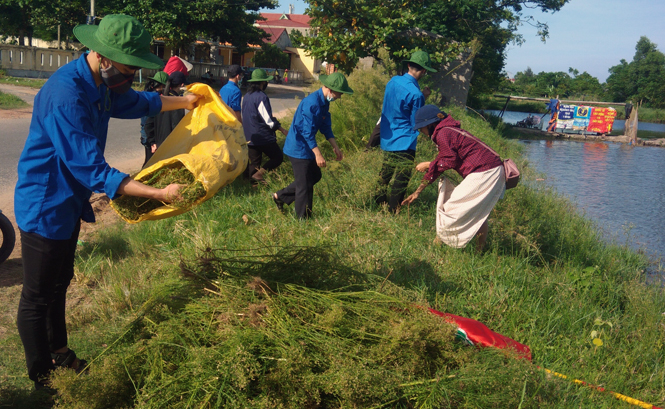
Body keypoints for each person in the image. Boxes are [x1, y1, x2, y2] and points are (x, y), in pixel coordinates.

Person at [13, 14, 200, 390]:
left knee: (61, 282)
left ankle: (60, 351)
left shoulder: (101, 82)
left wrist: (187, 101)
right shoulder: (66, 94)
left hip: (68, 204)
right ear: (103, 55)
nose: (133, 75)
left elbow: (137, 103)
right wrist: (160, 194)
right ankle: (44, 378)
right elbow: (94, 170)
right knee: (36, 296)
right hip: (45, 204)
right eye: (131, 67)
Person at [401, 105, 505, 252]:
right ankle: (479, 252)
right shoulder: (449, 130)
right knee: (479, 213)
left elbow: (448, 161)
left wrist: (429, 164)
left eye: (421, 128)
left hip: (485, 172)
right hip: (493, 170)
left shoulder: (442, 133)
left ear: (429, 124)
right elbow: (443, 163)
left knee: (450, 206)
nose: (421, 132)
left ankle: (437, 245)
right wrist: (418, 191)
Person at [272, 73, 353, 219]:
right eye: (339, 94)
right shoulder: (312, 103)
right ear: (329, 89)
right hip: (297, 147)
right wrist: (318, 154)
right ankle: (303, 221)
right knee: (304, 185)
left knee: (314, 175)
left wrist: (335, 147)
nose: (339, 97)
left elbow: (325, 126)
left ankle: (280, 196)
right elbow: (306, 132)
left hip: (306, 146)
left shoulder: (324, 102)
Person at [376, 50, 436, 213]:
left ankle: (377, 202)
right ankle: (392, 210)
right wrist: (433, 136)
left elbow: (396, 104)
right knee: (401, 178)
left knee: (385, 173)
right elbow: (415, 121)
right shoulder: (416, 94)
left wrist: (422, 96)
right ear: (424, 71)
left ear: (409, 65)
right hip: (405, 140)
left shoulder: (393, 81)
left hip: (388, 136)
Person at [241, 69, 288, 185]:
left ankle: (253, 187)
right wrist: (281, 129)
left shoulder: (247, 96)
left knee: (254, 163)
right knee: (277, 157)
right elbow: (268, 120)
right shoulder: (261, 97)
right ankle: (259, 174)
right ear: (262, 83)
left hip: (249, 135)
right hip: (262, 136)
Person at [143, 71, 188, 165]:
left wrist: (152, 142)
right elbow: (177, 129)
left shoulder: (160, 99)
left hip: (158, 147)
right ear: (182, 85)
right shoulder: (177, 103)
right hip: (170, 149)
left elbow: (148, 124)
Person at [140, 71, 168, 165]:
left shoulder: (147, 94)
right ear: (161, 86)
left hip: (146, 135)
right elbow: (148, 123)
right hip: (149, 137)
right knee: (149, 164)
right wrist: (152, 142)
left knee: (149, 162)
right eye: (164, 86)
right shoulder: (154, 98)